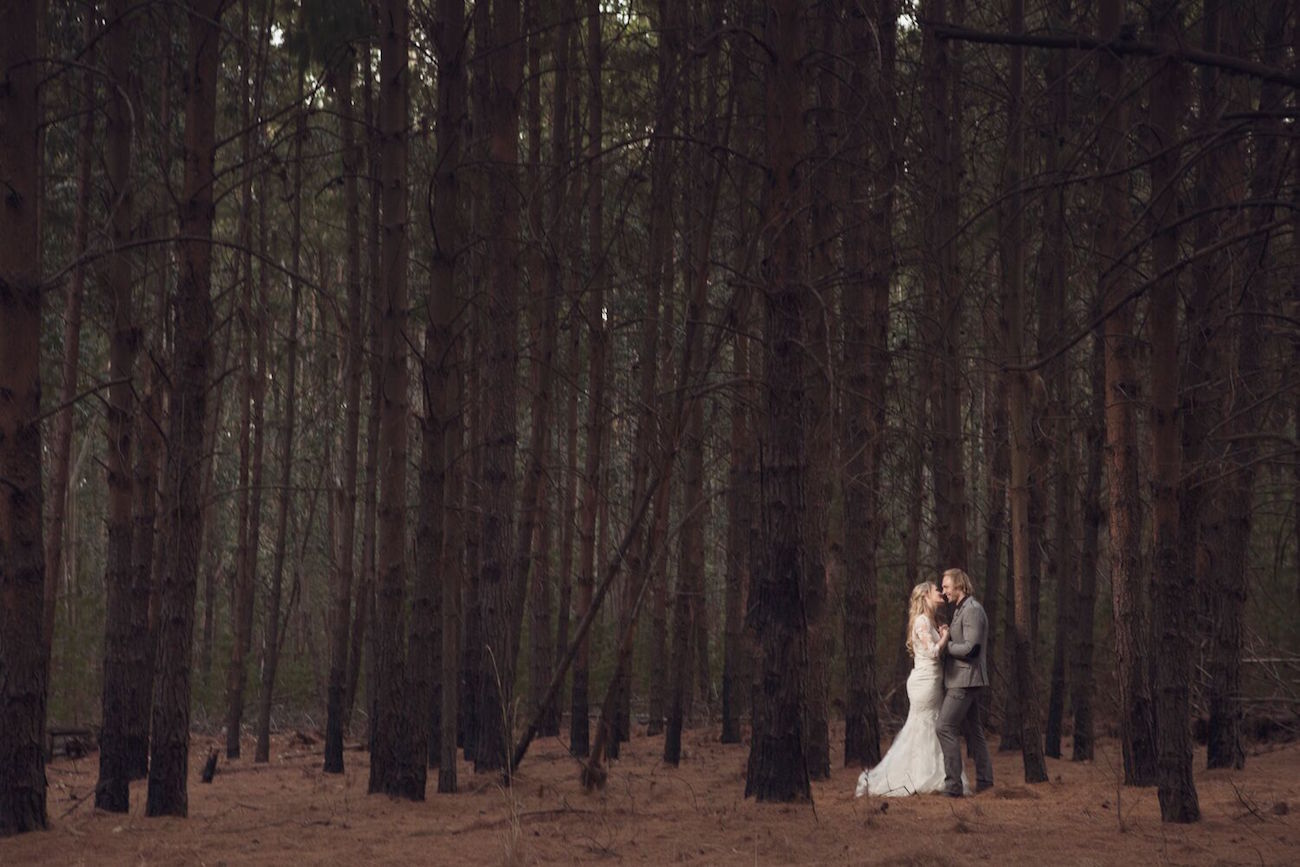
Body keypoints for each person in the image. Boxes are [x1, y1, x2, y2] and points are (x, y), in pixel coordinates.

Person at [856, 581, 968, 797]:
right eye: (936, 590)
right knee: (924, 725)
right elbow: (934, 651)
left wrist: (942, 631)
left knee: (933, 724)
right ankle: (917, 776)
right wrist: (945, 635)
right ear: (926, 595)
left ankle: (934, 774)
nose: (940, 593)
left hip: (933, 680)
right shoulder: (921, 621)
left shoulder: (930, 620)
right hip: (924, 682)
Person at [937, 567, 994, 797]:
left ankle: (953, 786)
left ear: (959, 586)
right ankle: (985, 782)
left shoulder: (972, 610)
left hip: (965, 680)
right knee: (974, 731)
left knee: (944, 727)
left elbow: (972, 649)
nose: (944, 591)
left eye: (946, 587)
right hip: (962, 679)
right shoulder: (962, 610)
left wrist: (945, 645)